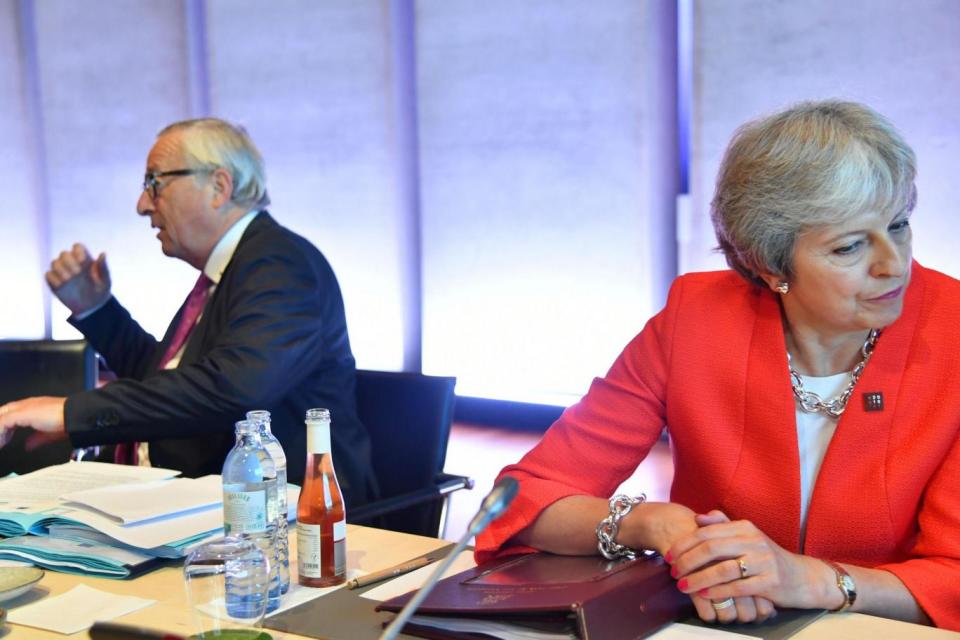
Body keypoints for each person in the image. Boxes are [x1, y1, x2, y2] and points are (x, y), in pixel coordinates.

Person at [475, 101, 960, 630]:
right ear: (770, 264)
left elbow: (952, 574)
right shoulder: (695, 319)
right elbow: (526, 498)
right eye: (848, 247)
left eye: (900, 225)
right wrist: (657, 524)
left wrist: (811, 580)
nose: (895, 264)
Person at [0, 118, 378, 507]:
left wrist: (71, 413)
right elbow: (169, 379)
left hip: (289, 520)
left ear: (218, 186)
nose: (142, 204)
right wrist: (96, 309)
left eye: (155, 183)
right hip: (206, 504)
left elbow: (232, 389)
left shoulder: (280, 266)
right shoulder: (233, 269)